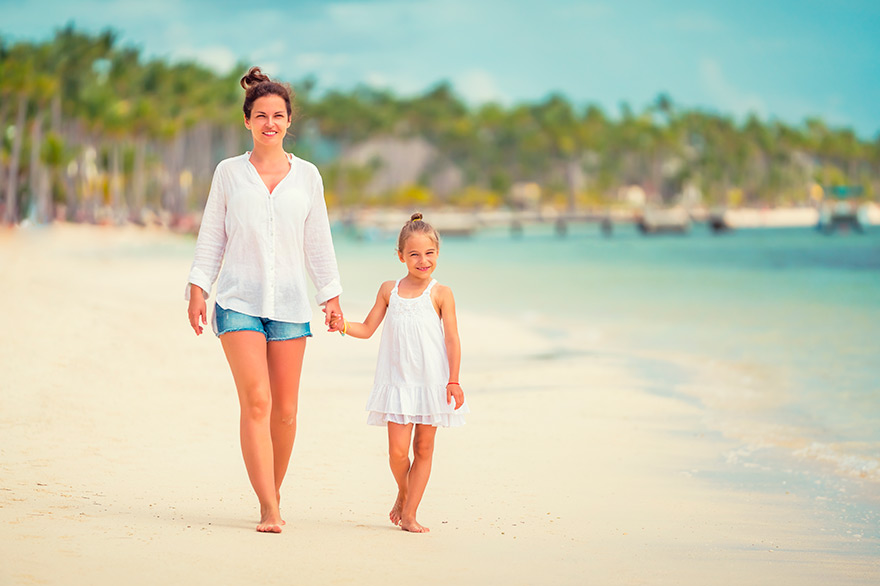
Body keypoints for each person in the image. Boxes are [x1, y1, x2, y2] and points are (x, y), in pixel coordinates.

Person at [185, 66, 343, 533]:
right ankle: (270, 508)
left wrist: (330, 296)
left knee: (286, 411)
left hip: (292, 304)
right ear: (248, 121)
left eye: (278, 115)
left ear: (289, 120)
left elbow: (319, 242)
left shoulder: (308, 177)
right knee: (257, 401)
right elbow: (212, 234)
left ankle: (272, 492)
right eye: (260, 115)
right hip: (238, 300)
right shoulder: (229, 173)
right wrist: (198, 287)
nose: (269, 122)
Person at [330, 212, 468, 533]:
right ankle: (404, 492)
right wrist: (342, 325)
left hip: (433, 382)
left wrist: (454, 380)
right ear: (401, 256)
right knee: (396, 452)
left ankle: (410, 514)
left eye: (429, 253)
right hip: (397, 383)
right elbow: (366, 328)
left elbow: (452, 338)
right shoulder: (388, 290)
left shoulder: (441, 293)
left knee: (423, 449)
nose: (423, 260)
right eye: (415, 254)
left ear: (437, 254)